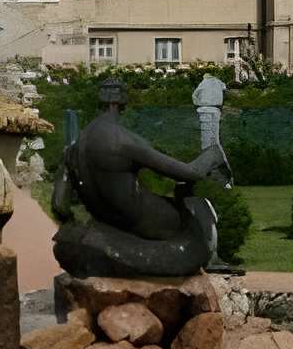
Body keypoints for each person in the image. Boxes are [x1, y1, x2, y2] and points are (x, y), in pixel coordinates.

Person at [52, 77, 230, 277]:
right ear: (121, 103)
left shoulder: (75, 146)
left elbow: (59, 204)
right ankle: (212, 260)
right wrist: (214, 154)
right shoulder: (124, 141)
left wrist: (72, 224)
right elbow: (191, 173)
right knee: (198, 204)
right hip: (145, 222)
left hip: (106, 222)